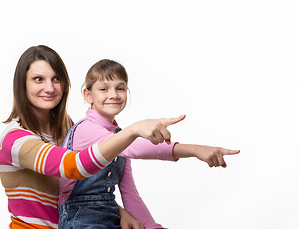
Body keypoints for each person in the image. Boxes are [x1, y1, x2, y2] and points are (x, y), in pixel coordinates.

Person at [0, 45, 185, 229]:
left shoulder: (68, 128)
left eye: (56, 79)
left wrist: (120, 212)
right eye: (38, 79)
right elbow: (73, 167)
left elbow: (80, 190)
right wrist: (132, 131)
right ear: (22, 85)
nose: (49, 87)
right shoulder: (14, 139)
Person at [57, 59, 240, 229]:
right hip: (80, 218)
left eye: (120, 88)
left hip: (110, 216)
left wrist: (152, 226)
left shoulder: (120, 135)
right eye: (104, 89)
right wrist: (194, 150)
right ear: (88, 95)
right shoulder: (86, 129)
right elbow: (136, 149)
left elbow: (129, 193)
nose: (113, 94)